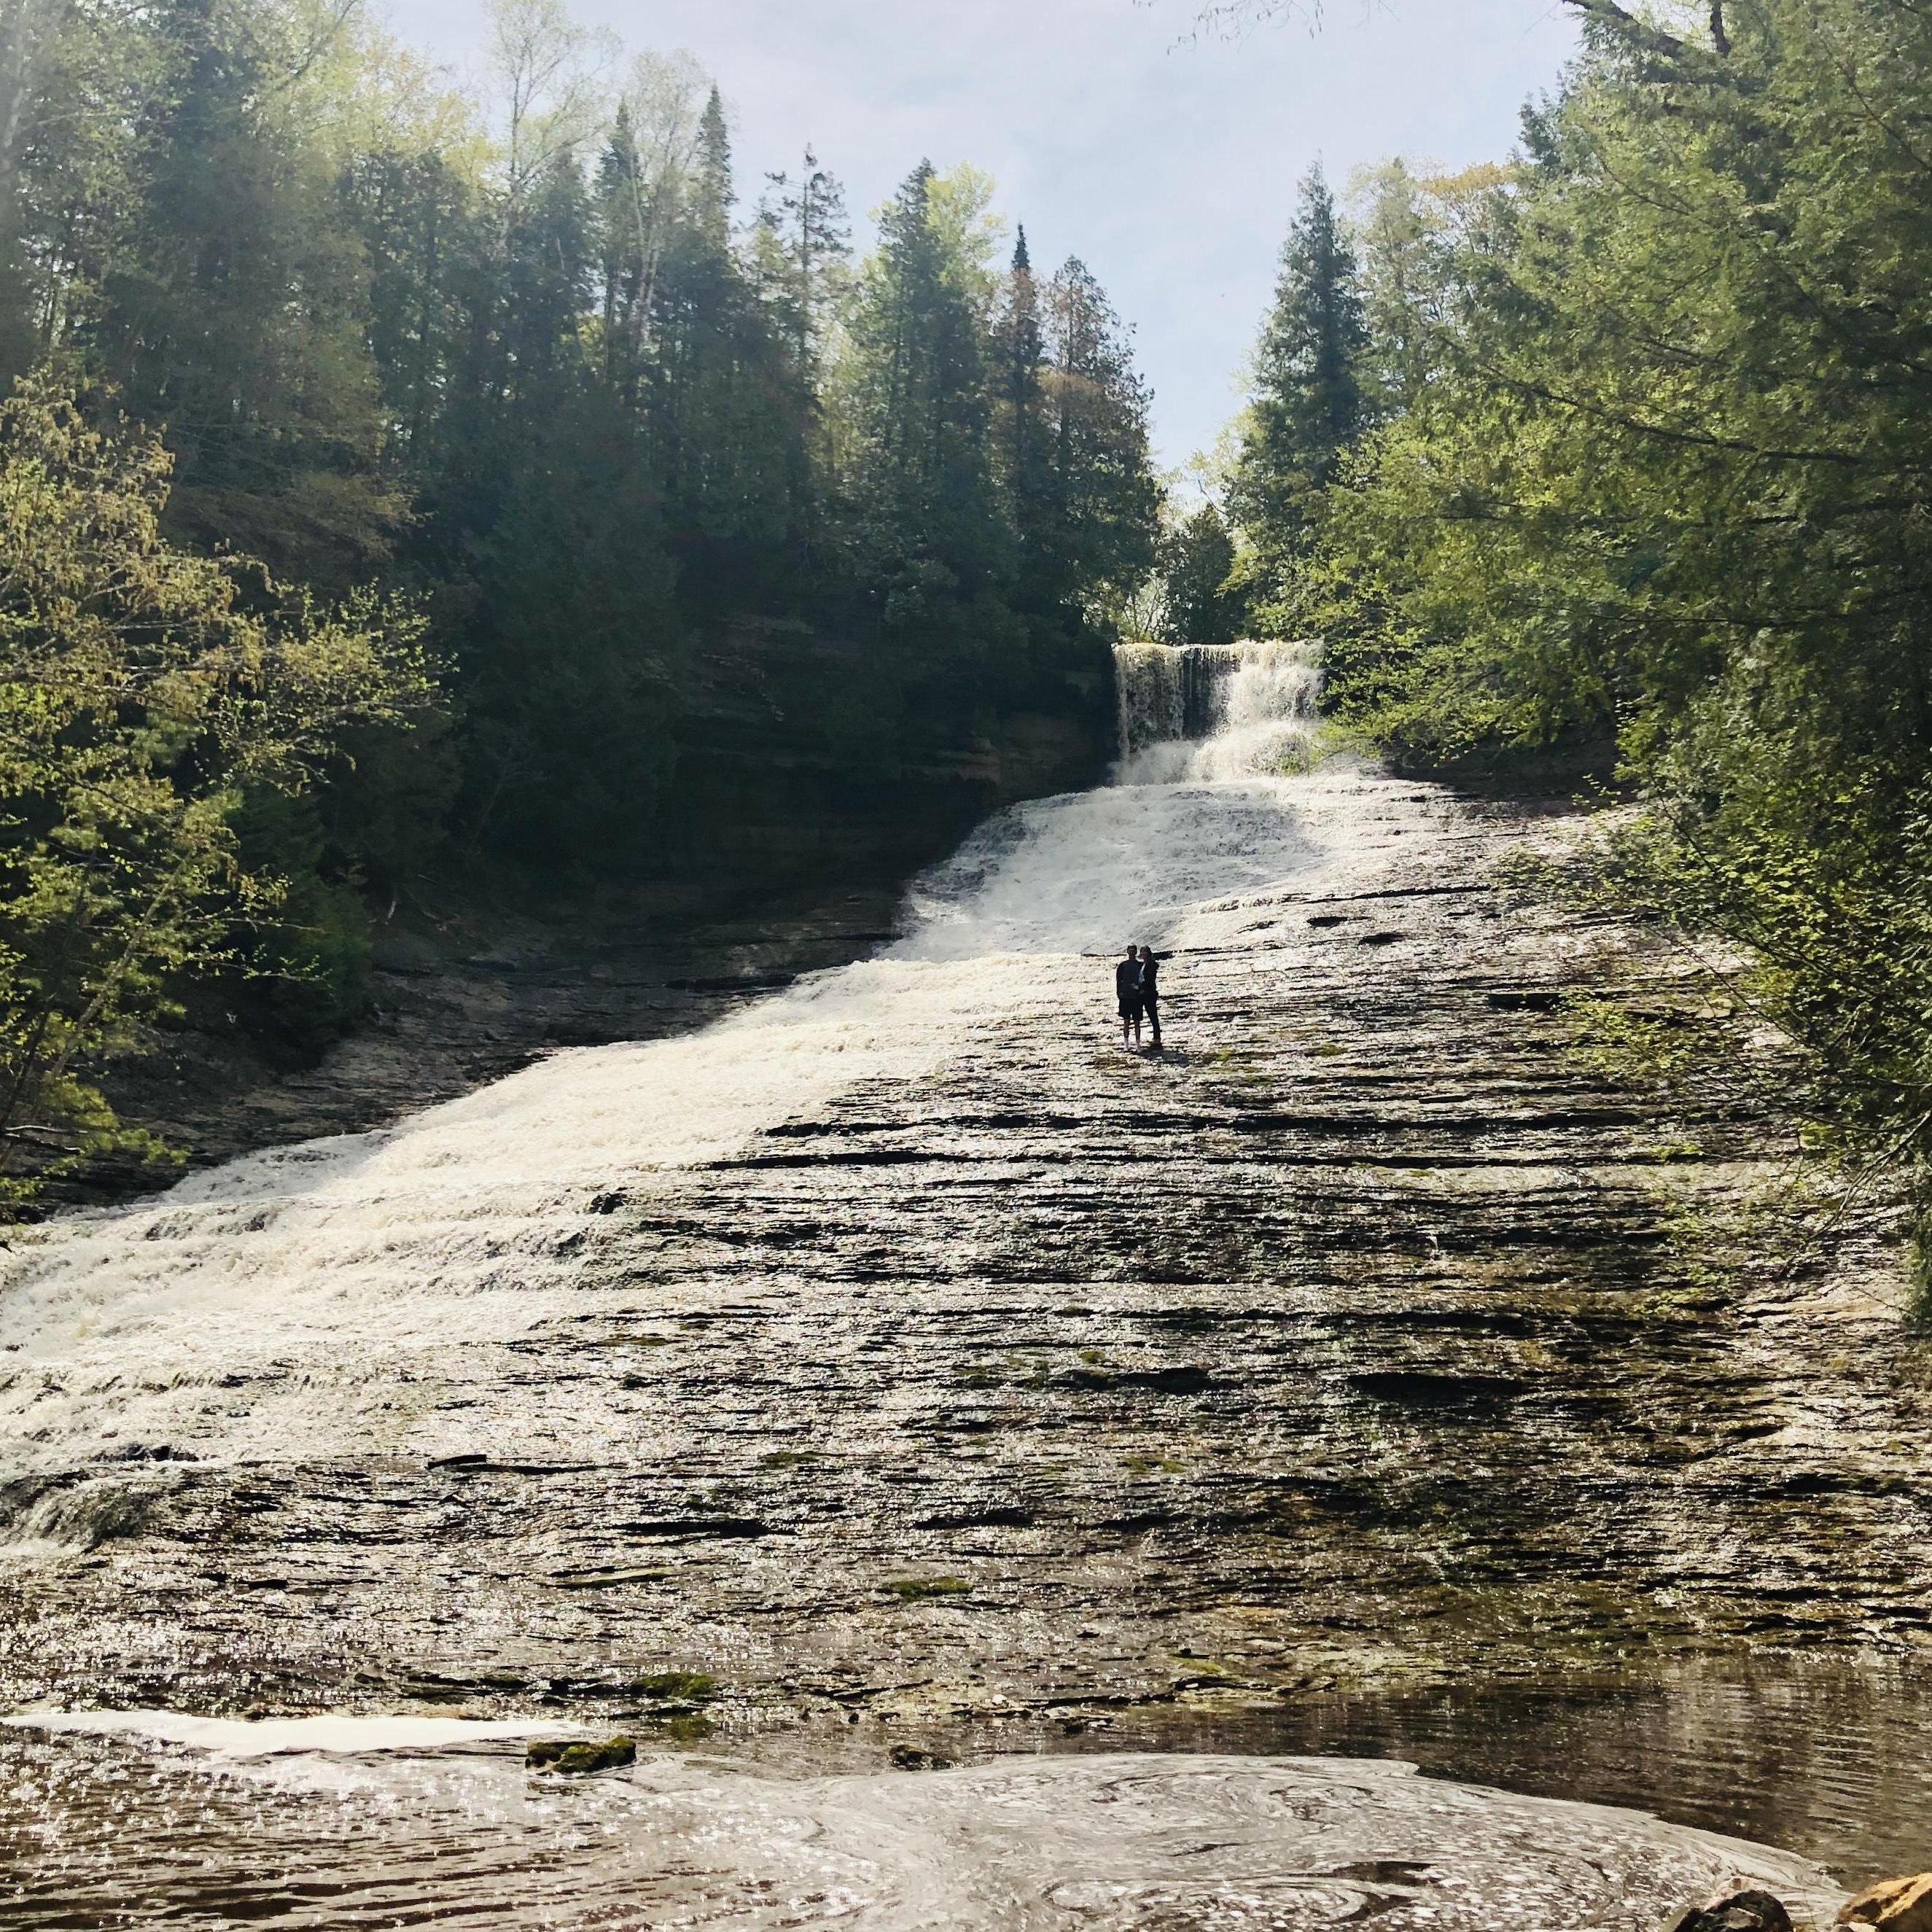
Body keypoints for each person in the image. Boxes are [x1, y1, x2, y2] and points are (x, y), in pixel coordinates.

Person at [1115, 945, 1144, 1048]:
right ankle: (1126, 1044)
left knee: (1137, 1022)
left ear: (1136, 952)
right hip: (1126, 996)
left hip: (1137, 997)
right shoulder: (1123, 965)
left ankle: (1138, 1044)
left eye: (1133, 950)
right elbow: (1119, 981)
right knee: (1126, 1021)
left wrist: (1142, 992)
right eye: (1130, 949)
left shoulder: (1140, 965)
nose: (1131, 951)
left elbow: (1143, 980)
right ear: (1127, 951)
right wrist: (1119, 993)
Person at [1138, 946, 1162, 1049]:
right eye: (1142, 952)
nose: (1143, 954)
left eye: (1145, 952)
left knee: (1153, 1016)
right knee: (1151, 1016)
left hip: (1149, 993)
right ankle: (1156, 1037)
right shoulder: (1144, 964)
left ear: (1149, 953)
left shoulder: (1151, 964)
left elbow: (1149, 979)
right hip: (1145, 993)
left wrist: (1141, 987)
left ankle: (1157, 1038)